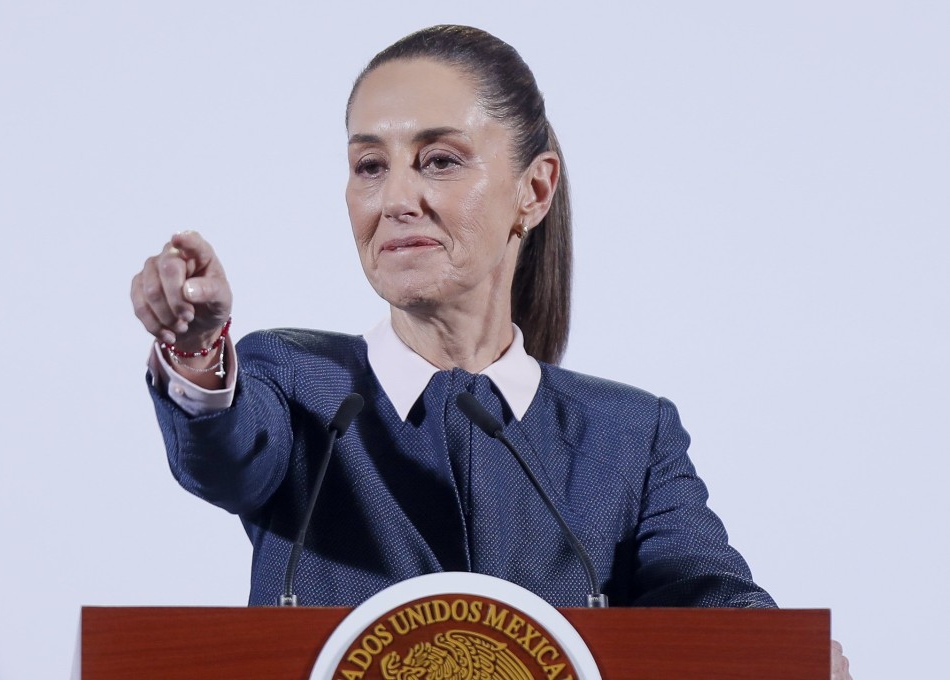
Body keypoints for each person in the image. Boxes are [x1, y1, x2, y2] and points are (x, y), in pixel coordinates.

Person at [131, 24, 851, 678]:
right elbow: (224, 451)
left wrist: (783, 655)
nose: (396, 199)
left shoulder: (627, 437)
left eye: (439, 161)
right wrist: (198, 355)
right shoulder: (294, 384)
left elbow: (710, 600)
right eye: (370, 166)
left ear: (533, 190)